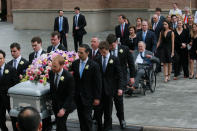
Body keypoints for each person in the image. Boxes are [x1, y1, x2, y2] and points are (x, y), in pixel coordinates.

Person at [106, 34, 135, 129]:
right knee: (108, 103)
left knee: (119, 101)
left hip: (120, 79)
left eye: (112, 45)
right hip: (109, 80)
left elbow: (131, 63)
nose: (110, 47)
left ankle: (122, 119)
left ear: (116, 42)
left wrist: (132, 76)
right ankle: (108, 122)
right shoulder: (106, 50)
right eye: (109, 45)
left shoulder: (125, 49)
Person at [71, 44, 101, 131]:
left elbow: (97, 83)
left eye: (81, 53)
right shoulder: (75, 63)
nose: (79, 54)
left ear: (87, 53)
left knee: (87, 118)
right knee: (81, 118)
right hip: (78, 97)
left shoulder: (94, 65)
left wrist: (97, 97)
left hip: (88, 96)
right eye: (78, 52)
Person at [94, 41, 123, 131]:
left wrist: (120, 88)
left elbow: (119, 74)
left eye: (104, 52)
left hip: (109, 90)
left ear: (107, 50)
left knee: (107, 112)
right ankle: (99, 126)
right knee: (98, 111)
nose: (102, 54)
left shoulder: (114, 59)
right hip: (99, 90)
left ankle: (108, 128)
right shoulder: (97, 59)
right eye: (101, 52)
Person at [49, 55, 75, 131]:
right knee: (60, 124)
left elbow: (71, 95)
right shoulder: (51, 73)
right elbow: (52, 89)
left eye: (55, 66)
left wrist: (63, 109)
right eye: (52, 66)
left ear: (62, 65)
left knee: (60, 125)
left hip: (64, 105)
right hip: (55, 104)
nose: (52, 68)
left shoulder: (68, 77)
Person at [0, 50, 19, 131]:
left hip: (9, 98)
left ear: (4, 59)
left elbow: (16, 84)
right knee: (0, 119)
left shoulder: (11, 69)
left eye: (0, 58)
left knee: (14, 118)